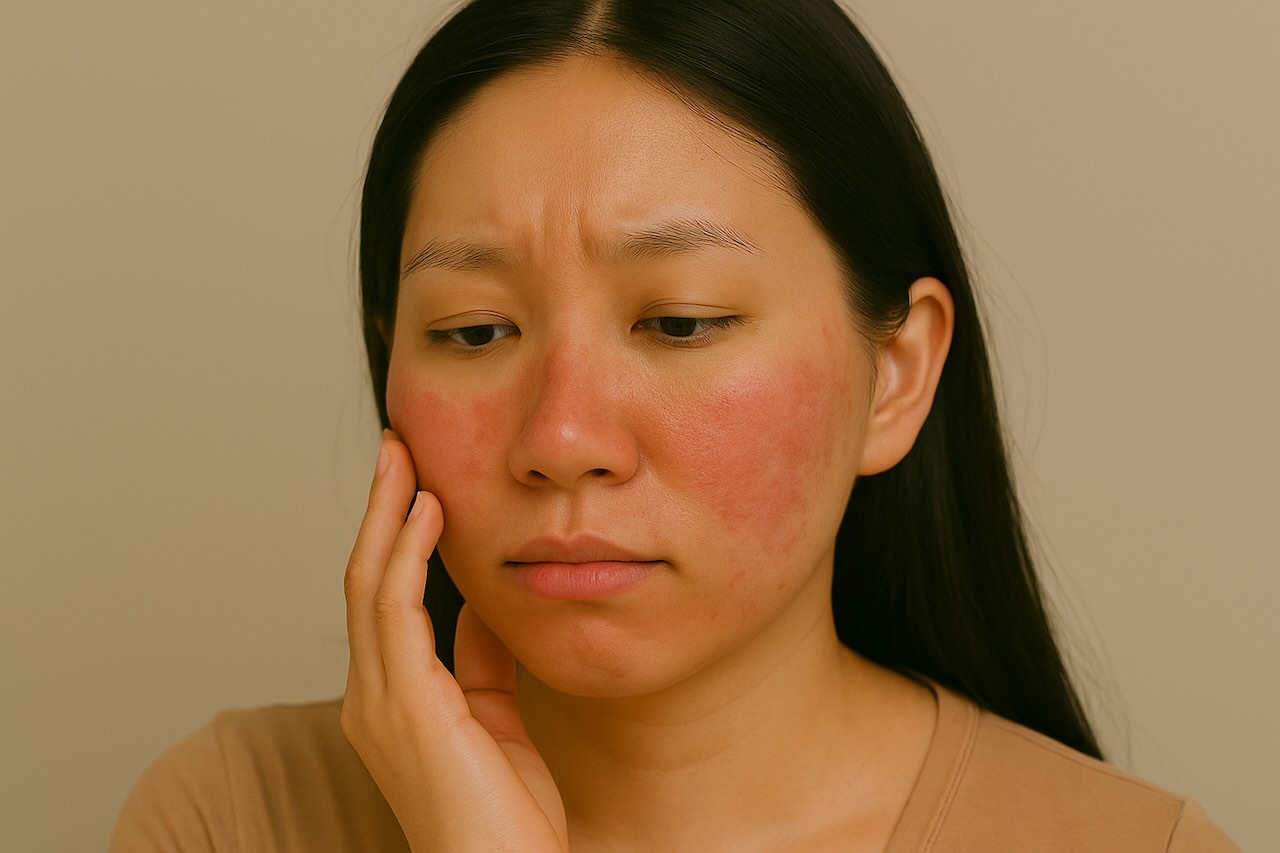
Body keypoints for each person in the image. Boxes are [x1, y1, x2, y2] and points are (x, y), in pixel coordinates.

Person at [111, 0, 1238, 849]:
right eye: (471, 331)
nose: (561, 438)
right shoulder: (228, 816)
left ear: (893, 372)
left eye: (681, 322)